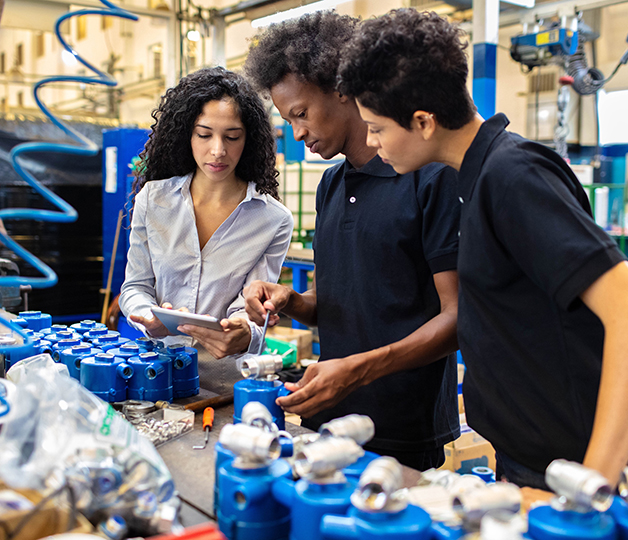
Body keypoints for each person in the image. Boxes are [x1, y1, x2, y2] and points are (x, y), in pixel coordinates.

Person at [337, 7, 628, 495]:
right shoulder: (473, 178)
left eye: (378, 128)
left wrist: (593, 487)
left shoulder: (512, 177)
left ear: (424, 121)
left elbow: (623, 305)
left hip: (567, 476)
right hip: (525, 465)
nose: (370, 141)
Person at [243, 11, 461, 470]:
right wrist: (291, 300)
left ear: (342, 90)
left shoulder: (428, 178)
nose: (297, 132)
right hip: (329, 410)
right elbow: (330, 299)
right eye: (287, 120)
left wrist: (360, 368)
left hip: (402, 425)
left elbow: (458, 318)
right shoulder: (332, 185)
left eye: (301, 114)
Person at [119, 67, 294, 394]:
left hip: (226, 384)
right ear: (186, 134)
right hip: (155, 374)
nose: (218, 150)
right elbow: (135, 287)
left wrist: (244, 330)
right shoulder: (154, 200)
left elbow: (253, 308)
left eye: (232, 136)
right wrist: (148, 316)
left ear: (249, 138)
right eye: (204, 134)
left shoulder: (273, 220)